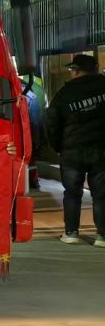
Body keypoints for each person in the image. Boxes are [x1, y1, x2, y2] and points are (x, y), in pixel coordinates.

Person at [44, 54, 105, 247]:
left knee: (72, 193)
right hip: (102, 151)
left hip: (72, 152)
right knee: (101, 194)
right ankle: (102, 236)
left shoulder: (65, 93)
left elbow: (52, 122)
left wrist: (58, 147)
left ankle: (71, 233)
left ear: (77, 71)